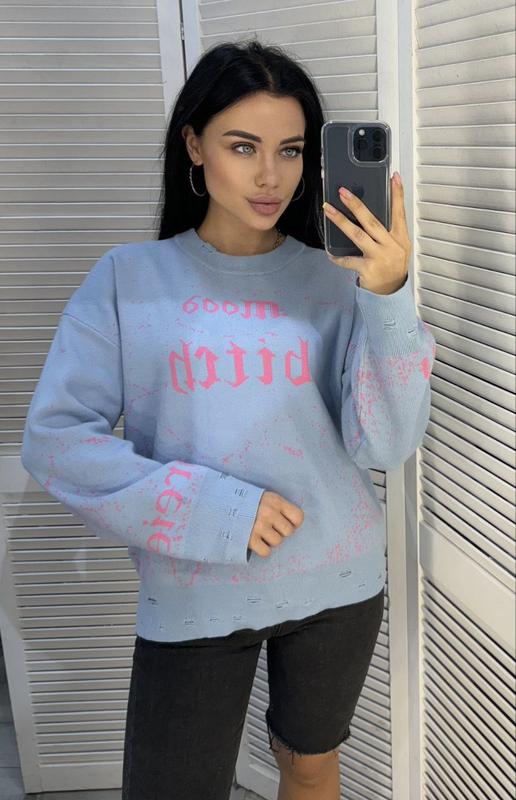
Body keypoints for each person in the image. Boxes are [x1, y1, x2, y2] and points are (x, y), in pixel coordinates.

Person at [20, 38, 436, 800]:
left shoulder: (336, 279)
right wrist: (214, 510)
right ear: (194, 145)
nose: (270, 176)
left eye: (290, 150)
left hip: (338, 580)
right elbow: (55, 443)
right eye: (243, 147)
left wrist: (390, 297)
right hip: (196, 587)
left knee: (309, 765)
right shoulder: (129, 281)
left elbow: (386, 441)